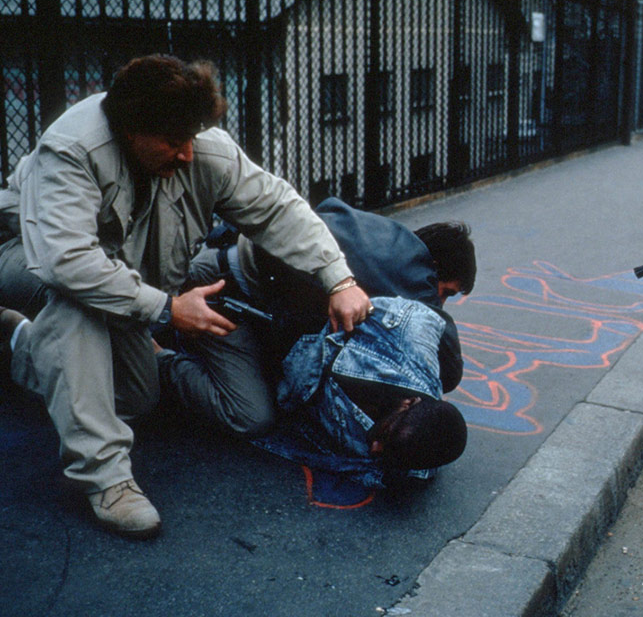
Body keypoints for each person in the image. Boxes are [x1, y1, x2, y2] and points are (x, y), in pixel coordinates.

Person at [0, 55, 372, 539]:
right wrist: (168, 308)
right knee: (77, 307)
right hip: (23, 258)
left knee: (136, 396)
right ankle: (106, 479)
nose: (188, 154)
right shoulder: (71, 149)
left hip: (120, 284)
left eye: (191, 138)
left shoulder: (200, 149)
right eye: (174, 142)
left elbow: (278, 208)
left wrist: (338, 278)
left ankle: (19, 339)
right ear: (131, 131)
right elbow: (65, 263)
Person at [155, 198, 476, 475]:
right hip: (221, 289)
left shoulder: (388, 242)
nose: (440, 305)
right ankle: (158, 357)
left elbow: (326, 206)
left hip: (245, 276)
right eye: (445, 293)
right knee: (251, 415)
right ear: (433, 268)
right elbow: (449, 370)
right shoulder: (411, 291)